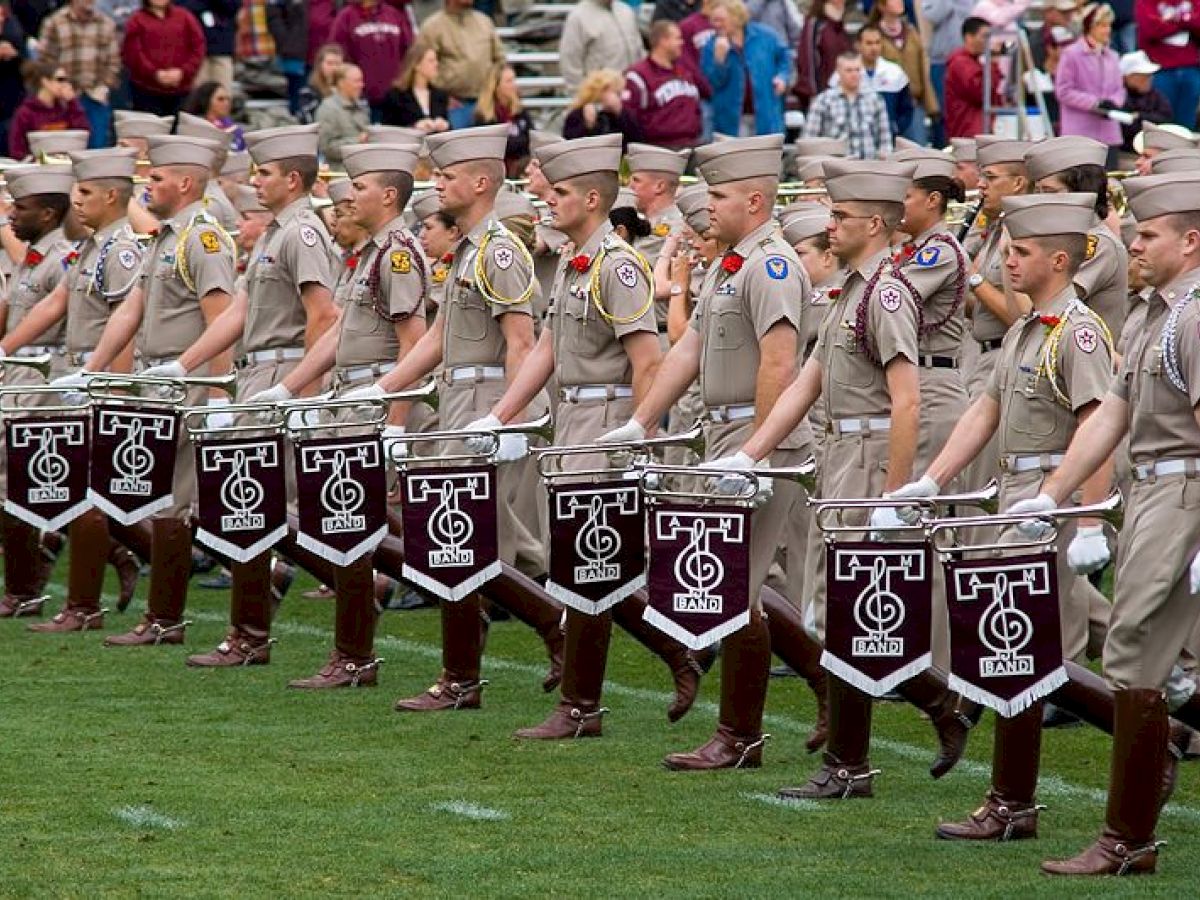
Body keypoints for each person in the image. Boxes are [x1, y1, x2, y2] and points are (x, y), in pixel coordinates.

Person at [890, 191, 1189, 848]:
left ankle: (1120, 757)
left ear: (1057, 259)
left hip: (1055, 500)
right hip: (1025, 495)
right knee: (1014, 649)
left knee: (1024, 649)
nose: (1004, 261)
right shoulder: (1031, 326)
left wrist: (1080, 521)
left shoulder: (1077, 331)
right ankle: (1016, 800)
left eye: (1019, 251)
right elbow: (985, 414)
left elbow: (1097, 425)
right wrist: (931, 480)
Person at [598, 134, 832, 767]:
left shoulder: (772, 266)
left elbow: (780, 366)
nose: (708, 204)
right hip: (729, 439)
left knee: (734, 589)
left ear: (755, 201)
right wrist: (640, 422)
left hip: (761, 442)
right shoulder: (732, 264)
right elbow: (689, 351)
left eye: (721, 195)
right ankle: (791, 707)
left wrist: (754, 453)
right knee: (737, 589)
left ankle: (742, 735)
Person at [460, 134, 706, 738]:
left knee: (589, 565)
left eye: (562, 192)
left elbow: (648, 358)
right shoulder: (579, 263)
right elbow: (546, 347)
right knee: (583, 564)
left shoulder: (617, 265)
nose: (548, 200)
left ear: (593, 198)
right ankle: (668, 657)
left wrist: (640, 434)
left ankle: (582, 704)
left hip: (605, 420)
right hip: (574, 420)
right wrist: (503, 415)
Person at [999, 170, 1200, 876]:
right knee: (1139, 660)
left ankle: (1128, 840)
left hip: (1185, 500)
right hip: (1152, 496)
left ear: (1191, 240)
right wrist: (1054, 495)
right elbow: (1111, 415)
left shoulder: (1194, 317)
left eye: (1147, 234)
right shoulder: (1153, 313)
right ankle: (1130, 836)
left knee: (1138, 658)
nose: (1129, 243)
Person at [339, 126, 574, 711]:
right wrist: (384, 391)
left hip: (489, 405)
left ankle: (499, 657)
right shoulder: (470, 249)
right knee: (458, 545)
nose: (437, 183)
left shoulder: (498, 250)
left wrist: (511, 421)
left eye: (447, 175)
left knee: (462, 544)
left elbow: (523, 342)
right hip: (463, 403)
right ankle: (513, 646)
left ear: (480, 181)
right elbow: (440, 337)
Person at [241, 141, 425, 687]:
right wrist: (291, 390)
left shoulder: (397, 251)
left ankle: (357, 656)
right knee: (345, 530)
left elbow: (413, 342)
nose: (346, 194)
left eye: (360, 186)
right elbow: (342, 331)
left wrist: (395, 422)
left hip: (372, 402)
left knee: (353, 532)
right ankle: (353, 656)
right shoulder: (370, 251)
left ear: (388, 195)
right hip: (350, 398)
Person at [52, 136, 236, 647]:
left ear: (185, 182)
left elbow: (221, 318)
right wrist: (92, 371)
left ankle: (168, 619)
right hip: (160, 381)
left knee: (178, 504)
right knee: (153, 499)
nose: (146, 184)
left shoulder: (203, 238)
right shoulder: (164, 238)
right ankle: (164, 616)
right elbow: (130, 309)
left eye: (155, 177)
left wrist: (218, 393)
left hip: (188, 383)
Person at [0, 149, 147, 628]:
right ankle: (89, 593)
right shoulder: (91, 247)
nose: (75, 201)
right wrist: (4, 349)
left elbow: (127, 321)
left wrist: (114, 393)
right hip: (72, 378)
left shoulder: (122, 249)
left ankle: (85, 604)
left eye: (83, 193)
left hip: (92, 382)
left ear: (111, 195)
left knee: (80, 493)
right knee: (63, 489)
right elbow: (56, 304)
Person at [0, 164, 75, 620]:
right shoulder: (33, 258)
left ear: (47, 214)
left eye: (21, 208)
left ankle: (24, 588)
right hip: (19, 375)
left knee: (26, 482)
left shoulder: (60, 258)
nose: (12, 214)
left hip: (42, 379)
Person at [36, 0, 119, 150]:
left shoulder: (107, 24)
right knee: (64, 152)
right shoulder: (54, 23)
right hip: (62, 101)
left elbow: (114, 62)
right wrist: (60, 88)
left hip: (96, 98)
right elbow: (45, 64)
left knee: (97, 153)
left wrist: (104, 85)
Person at [702, 0, 790, 136]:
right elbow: (714, 82)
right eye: (713, 20)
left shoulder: (766, 36)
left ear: (736, 17)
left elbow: (785, 57)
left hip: (766, 116)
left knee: (766, 155)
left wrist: (782, 77)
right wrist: (719, 60)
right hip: (732, 121)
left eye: (720, 20)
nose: (716, 25)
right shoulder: (710, 46)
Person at [1056, 4, 1126, 169]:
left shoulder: (1113, 56)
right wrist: (1095, 104)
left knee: (1109, 183)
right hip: (1079, 134)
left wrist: (1114, 103)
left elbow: (1120, 89)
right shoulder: (1071, 54)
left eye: (1108, 25)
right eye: (1102, 25)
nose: (1107, 30)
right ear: (1089, 27)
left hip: (1109, 135)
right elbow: (1063, 91)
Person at [418, 0, 505, 130]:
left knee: (492, 148)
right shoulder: (432, 26)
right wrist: (442, 98)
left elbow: (499, 60)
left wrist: (491, 93)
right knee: (455, 149)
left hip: (486, 103)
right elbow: (423, 67)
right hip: (452, 106)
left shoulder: (485, 22)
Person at [624, 19, 706, 150]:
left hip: (692, 143)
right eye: (678, 38)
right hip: (659, 148)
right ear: (663, 41)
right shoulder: (638, 75)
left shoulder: (685, 72)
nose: (682, 43)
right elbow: (631, 118)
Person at [328, 0, 416, 120]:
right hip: (361, 97)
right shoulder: (346, 17)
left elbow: (410, 52)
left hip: (395, 97)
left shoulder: (394, 14)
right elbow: (337, 53)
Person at [867, 0, 938, 143]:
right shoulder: (873, 36)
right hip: (886, 103)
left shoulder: (911, 32)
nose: (900, 2)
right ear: (882, 6)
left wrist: (931, 104)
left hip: (913, 101)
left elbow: (922, 69)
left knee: (918, 150)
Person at [121, 0, 206, 117]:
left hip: (182, 90)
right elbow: (133, 53)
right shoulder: (136, 20)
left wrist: (183, 72)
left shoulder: (185, 17)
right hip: (146, 91)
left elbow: (198, 46)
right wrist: (155, 74)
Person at [803, 52, 893, 159]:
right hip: (835, 169)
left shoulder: (876, 100)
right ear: (838, 72)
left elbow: (885, 141)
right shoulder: (823, 101)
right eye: (849, 70)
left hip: (868, 168)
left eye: (858, 70)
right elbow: (809, 142)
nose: (854, 74)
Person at [1135, 0, 1200, 129]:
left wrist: (1173, 20)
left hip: (1190, 69)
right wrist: (1186, 22)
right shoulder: (1146, 2)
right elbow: (1151, 29)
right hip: (1160, 70)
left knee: (1186, 127)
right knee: (1160, 125)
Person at [559, 0, 646, 95]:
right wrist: (583, 101)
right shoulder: (578, 17)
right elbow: (570, 64)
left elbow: (639, 50)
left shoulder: (626, 11)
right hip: (600, 100)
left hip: (633, 95)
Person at [7, 60, 89, 160]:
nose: (65, 84)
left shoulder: (65, 109)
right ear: (45, 81)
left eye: (66, 80)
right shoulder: (25, 113)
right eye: (60, 80)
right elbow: (16, 150)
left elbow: (82, 135)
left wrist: (72, 102)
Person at [921, 0, 975, 143]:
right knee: (941, 112)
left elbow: (974, 21)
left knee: (963, 111)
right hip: (940, 63)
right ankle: (941, 151)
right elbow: (932, 16)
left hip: (966, 61)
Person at [943, 16, 1002, 139]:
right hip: (968, 133)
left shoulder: (974, 62)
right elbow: (981, 93)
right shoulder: (961, 63)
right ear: (969, 37)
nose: (988, 41)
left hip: (976, 131)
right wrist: (992, 63)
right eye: (984, 36)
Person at [853, 23, 916, 138]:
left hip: (888, 139)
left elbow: (906, 108)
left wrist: (895, 128)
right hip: (856, 138)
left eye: (877, 42)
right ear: (858, 45)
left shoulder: (895, 72)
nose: (874, 48)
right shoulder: (846, 72)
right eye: (869, 43)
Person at [472, 65, 532, 178]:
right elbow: (495, 146)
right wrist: (519, 142)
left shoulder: (520, 111)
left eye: (514, 80)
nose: (514, 85)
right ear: (496, 86)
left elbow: (531, 138)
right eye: (509, 81)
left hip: (521, 166)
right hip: (494, 169)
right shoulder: (484, 116)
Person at [793, 0, 853, 111]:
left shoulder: (840, 26)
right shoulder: (815, 24)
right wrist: (816, 95)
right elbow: (808, 61)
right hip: (821, 98)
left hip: (842, 96)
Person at [380, 40, 450, 133]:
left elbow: (448, 127)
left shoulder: (440, 94)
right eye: (431, 61)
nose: (436, 64)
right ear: (416, 65)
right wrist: (414, 127)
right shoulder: (396, 95)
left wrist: (445, 125)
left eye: (436, 60)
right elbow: (387, 131)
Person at [563, 70, 639, 143]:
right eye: (616, 93)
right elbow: (570, 143)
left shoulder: (622, 115)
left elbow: (636, 141)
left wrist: (620, 113)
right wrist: (589, 126)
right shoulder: (577, 115)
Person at [176, 0, 239, 89]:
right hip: (190, 49)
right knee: (196, 95)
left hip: (221, 48)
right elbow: (180, 7)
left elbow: (233, 5)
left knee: (222, 92)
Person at [316, 64, 370, 164]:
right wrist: (358, 141)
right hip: (339, 172)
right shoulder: (328, 109)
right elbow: (326, 147)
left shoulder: (362, 106)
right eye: (356, 81)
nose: (361, 85)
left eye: (361, 81)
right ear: (341, 83)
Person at [1120, 49, 1172, 150]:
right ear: (1127, 77)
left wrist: (1140, 116)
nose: (1149, 79)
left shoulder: (1155, 95)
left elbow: (1166, 118)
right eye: (1142, 76)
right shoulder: (1118, 97)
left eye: (1149, 76)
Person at [265, 0, 309, 117]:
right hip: (292, 55)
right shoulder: (277, 4)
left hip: (314, 54)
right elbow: (274, 20)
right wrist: (289, 45)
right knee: (296, 99)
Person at [183, 80, 245, 152]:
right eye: (220, 99)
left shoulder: (236, 131)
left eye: (228, 99)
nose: (227, 103)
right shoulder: (192, 129)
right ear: (205, 101)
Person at [298, 44, 344, 126]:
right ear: (320, 65)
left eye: (338, 64)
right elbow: (307, 121)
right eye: (330, 63)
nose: (334, 68)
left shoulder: (349, 90)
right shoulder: (308, 93)